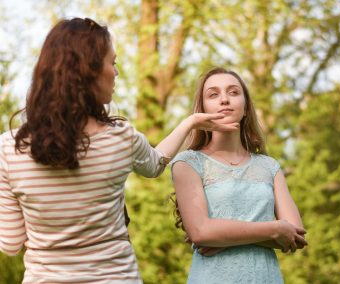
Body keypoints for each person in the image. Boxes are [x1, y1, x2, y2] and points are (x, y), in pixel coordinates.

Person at [0, 18, 239, 283]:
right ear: (88, 71)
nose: (116, 73)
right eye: (111, 63)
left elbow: (10, 243)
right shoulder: (121, 139)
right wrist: (190, 122)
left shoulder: (8, 149)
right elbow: (156, 164)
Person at [171, 67, 307, 283]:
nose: (224, 99)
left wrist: (223, 237)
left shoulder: (269, 166)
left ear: (245, 109)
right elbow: (200, 233)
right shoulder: (187, 163)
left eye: (233, 92)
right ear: (203, 108)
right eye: (213, 94)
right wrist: (274, 229)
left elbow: (296, 235)